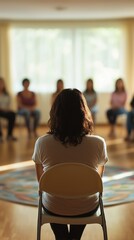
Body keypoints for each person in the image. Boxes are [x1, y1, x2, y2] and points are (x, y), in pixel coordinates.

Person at [32, 88, 108, 240]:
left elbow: (42, 182)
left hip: (54, 206)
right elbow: (96, 178)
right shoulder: (98, 143)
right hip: (87, 206)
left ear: (55, 113)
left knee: (54, 201)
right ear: (84, 112)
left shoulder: (42, 143)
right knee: (79, 205)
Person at [0, 77, 17, 142]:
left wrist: (8, 109)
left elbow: (9, 105)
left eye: (1, 83)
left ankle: (9, 135)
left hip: (4, 111)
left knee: (12, 114)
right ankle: (0, 135)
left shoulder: (7, 95)